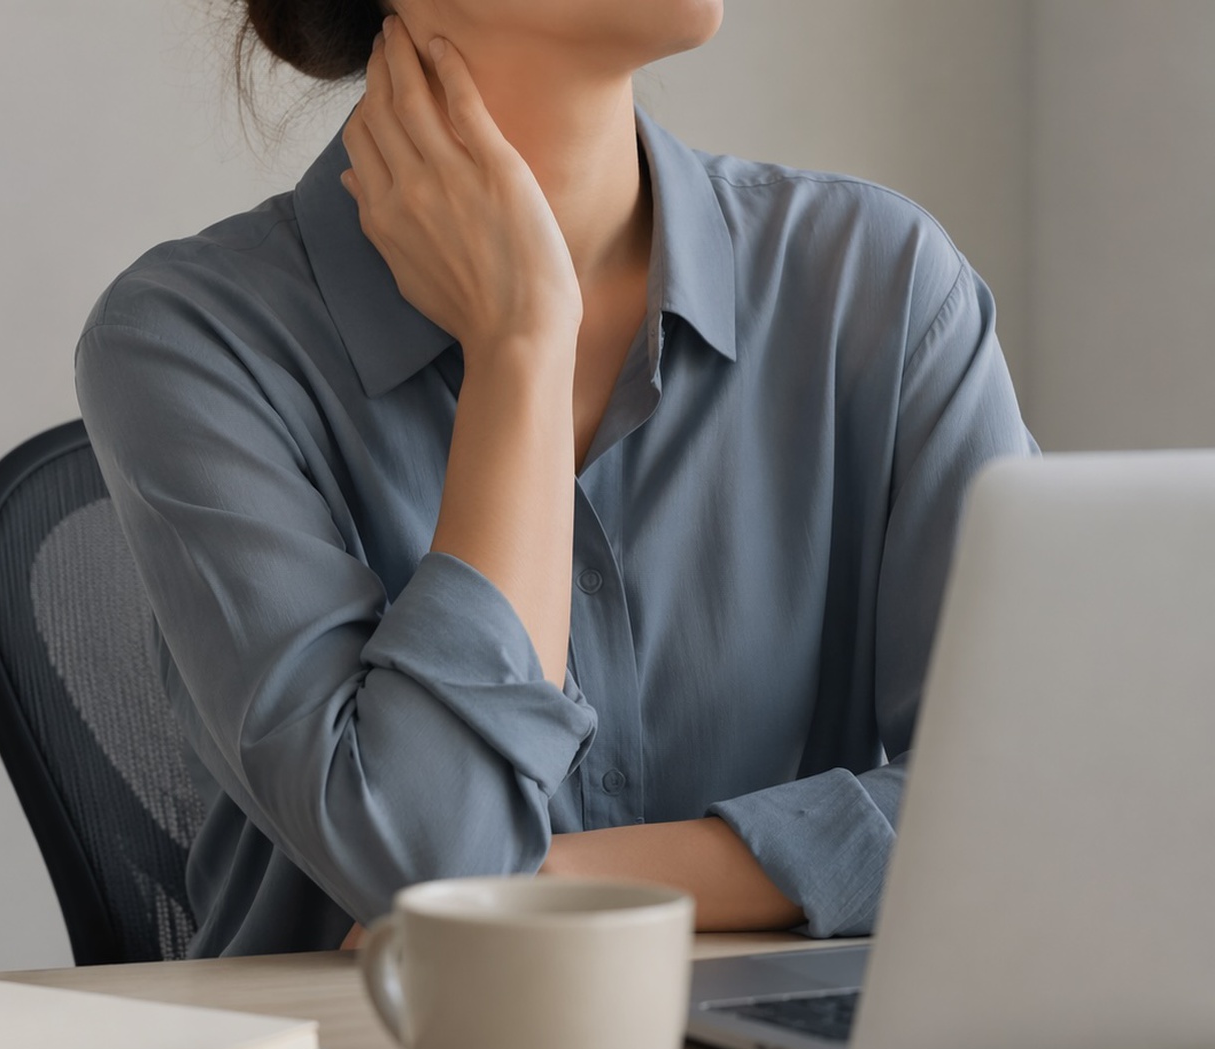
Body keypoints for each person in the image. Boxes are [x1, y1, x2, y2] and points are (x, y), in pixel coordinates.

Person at [74, 0, 1036, 958]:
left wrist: (567, 882)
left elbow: (1046, 786)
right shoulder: (190, 342)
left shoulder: (880, 285)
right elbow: (426, 856)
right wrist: (521, 346)